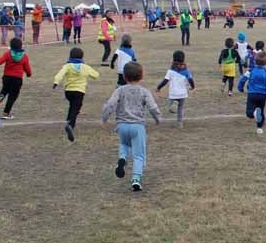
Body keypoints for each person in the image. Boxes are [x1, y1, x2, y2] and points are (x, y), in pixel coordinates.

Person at [101, 62, 161, 191]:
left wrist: (104, 119)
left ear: (124, 76)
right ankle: (136, 179)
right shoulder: (144, 92)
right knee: (139, 155)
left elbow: (110, 104)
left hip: (122, 126)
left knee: (124, 145)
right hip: (137, 126)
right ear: (141, 76)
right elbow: (152, 107)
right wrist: (157, 118)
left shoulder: (119, 90)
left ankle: (122, 159)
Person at [52, 47, 100, 142]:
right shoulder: (85, 67)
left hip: (68, 92)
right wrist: (87, 69)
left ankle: (68, 119)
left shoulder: (68, 66)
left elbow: (60, 74)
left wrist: (56, 82)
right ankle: (70, 125)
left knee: (72, 105)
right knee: (76, 108)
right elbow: (96, 75)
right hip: (79, 91)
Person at [0, 37, 32, 120]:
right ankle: (6, 113)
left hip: (6, 77)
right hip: (17, 79)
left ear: (11, 46)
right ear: (21, 46)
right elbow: (27, 67)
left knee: (4, 90)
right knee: (12, 96)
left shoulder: (8, 54)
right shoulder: (24, 56)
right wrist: (28, 74)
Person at [237, 52, 266, 135]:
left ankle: (254, 113)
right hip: (262, 95)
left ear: (255, 61)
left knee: (249, 113)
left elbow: (242, 79)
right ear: (265, 62)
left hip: (252, 94)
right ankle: (259, 128)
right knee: (261, 111)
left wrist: (240, 88)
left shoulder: (251, 70)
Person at [157, 50, 195, 128]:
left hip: (173, 93)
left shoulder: (170, 71)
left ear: (173, 59)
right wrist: (193, 87)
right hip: (182, 93)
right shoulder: (186, 70)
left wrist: (159, 87)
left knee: (170, 105)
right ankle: (179, 123)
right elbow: (191, 80)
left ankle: (173, 103)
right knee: (180, 108)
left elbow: (165, 81)